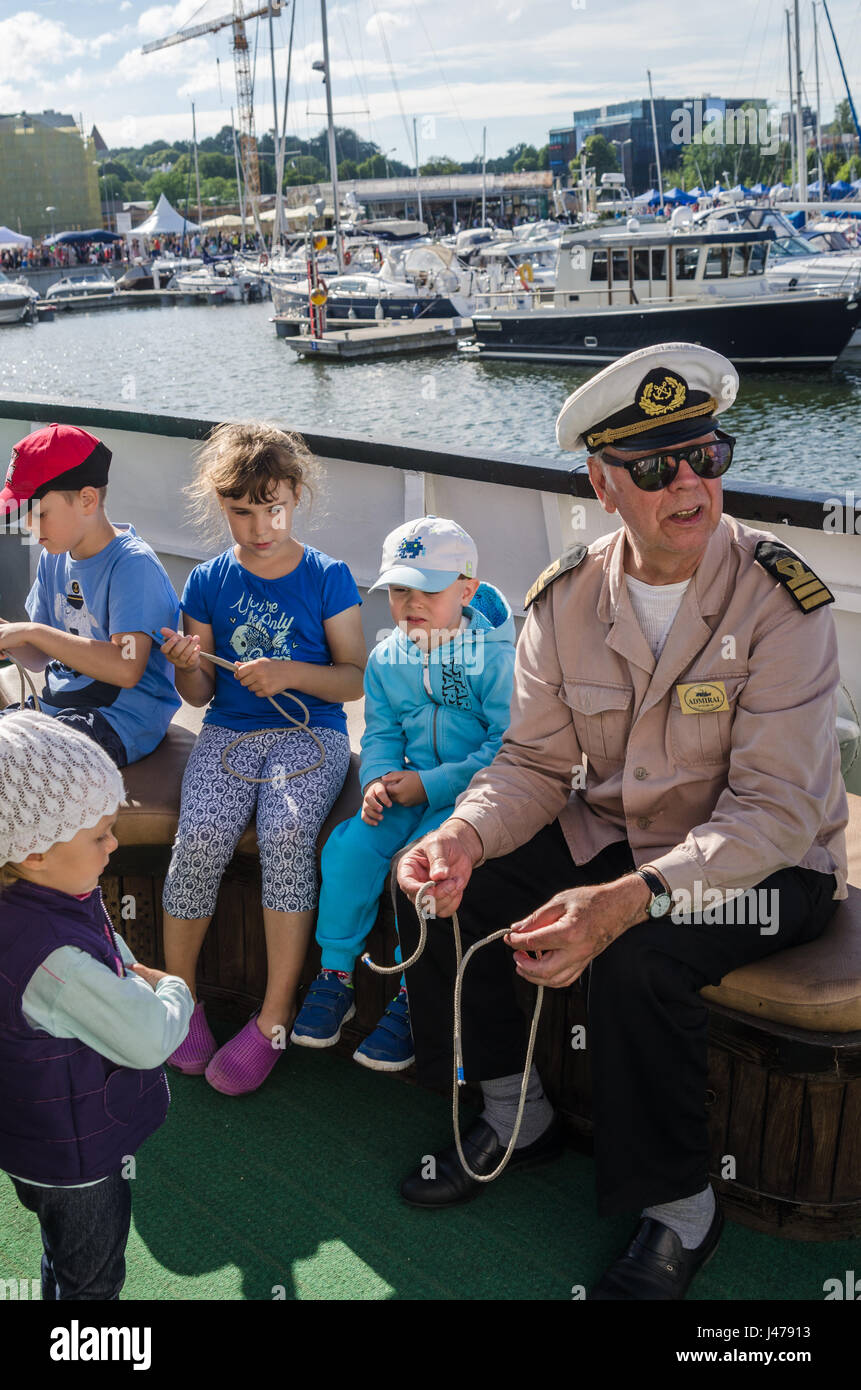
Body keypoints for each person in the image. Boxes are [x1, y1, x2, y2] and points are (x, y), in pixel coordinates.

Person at [395, 342, 848, 1300]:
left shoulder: (783, 600)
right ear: (603, 484)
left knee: (642, 956)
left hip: (773, 872)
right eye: (652, 467)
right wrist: (464, 834)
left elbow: (775, 810)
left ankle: (683, 1207)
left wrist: (631, 900)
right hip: (618, 840)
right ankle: (516, 1113)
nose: (687, 484)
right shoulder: (561, 600)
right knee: (453, 883)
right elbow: (532, 765)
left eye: (704, 456)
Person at [158, 422, 366, 1096]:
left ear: (295, 496)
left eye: (270, 507)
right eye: (240, 511)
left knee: (284, 834)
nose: (257, 527)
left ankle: (274, 1016)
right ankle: (180, 1001)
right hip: (228, 732)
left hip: (312, 736)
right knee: (201, 839)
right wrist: (187, 665)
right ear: (222, 507)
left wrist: (288, 674)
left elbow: (353, 677)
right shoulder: (206, 582)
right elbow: (198, 693)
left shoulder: (328, 576)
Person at [291, 516, 516, 1069]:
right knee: (347, 848)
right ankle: (336, 972)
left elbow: (506, 748)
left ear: (466, 590)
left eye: (428, 590)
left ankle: (416, 997)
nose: (410, 604)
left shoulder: (498, 659)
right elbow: (382, 733)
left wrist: (431, 785)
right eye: (398, 590)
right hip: (407, 787)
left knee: (424, 876)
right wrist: (376, 781)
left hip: (470, 799)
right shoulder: (389, 658)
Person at [0, 713, 194, 1300]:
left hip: (33, 1139)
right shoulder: (56, 961)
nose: (115, 843)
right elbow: (148, 1038)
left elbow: (104, 940)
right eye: (100, 834)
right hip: (77, 1157)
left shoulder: (39, 894)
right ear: (33, 851)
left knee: (62, 1255)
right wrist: (174, 988)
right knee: (94, 1281)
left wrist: (125, 966)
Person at [0, 423, 181, 767]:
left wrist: (30, 631)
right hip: (57, 709)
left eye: (39, 513)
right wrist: (10, 636)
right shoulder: (53, 556)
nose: (28, 526)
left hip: (118, 722)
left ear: (87, 500)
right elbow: (39, 656)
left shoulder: (132, 566)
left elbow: (126, 668)